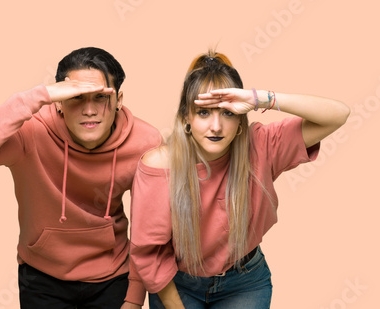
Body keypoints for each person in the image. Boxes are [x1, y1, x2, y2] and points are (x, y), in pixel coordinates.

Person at [129, 50, 350, 309]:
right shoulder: (160, 165)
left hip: (245, 283)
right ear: (185, 118)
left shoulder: (261, 145)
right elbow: (149, 255)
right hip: (178, 285)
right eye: (203, 113)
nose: (216, 126)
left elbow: (338, 114)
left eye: (227, 113)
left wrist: (259, 98)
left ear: (241, 120)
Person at [0, 47, 162, 309]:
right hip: (42, 277)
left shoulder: (145, 141)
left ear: (118, 100)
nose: (89, 110)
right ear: (59, 101)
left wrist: (134, 299)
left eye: (100, 98)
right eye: (76, 97)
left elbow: (148, 228)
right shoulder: (31, 132)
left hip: (114, 277)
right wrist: (40, 96)